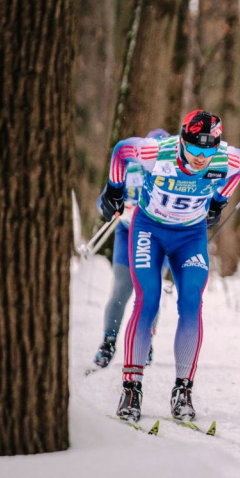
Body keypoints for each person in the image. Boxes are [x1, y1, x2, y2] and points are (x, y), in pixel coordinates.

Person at [98, 110, 240, 422]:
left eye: (208, 151)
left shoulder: (225, 160)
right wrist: (113, 189)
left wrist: (219, 202)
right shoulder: (158, 153)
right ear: (182, 141)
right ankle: (131, 387)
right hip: (149, 230)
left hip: (190, 236)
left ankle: (183, 390)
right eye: (193, 149)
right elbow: (122, 150)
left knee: (191, 302)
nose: (199, 158)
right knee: (147, 300)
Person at [92, 128, 169, 369]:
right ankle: (109, 340)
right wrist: (115, 208)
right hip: (128, 231)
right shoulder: (129, 165)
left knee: (150, 290)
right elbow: (103, 201)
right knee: (122, 287)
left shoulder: (174, 172)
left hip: (161, 236)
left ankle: (145, 340)